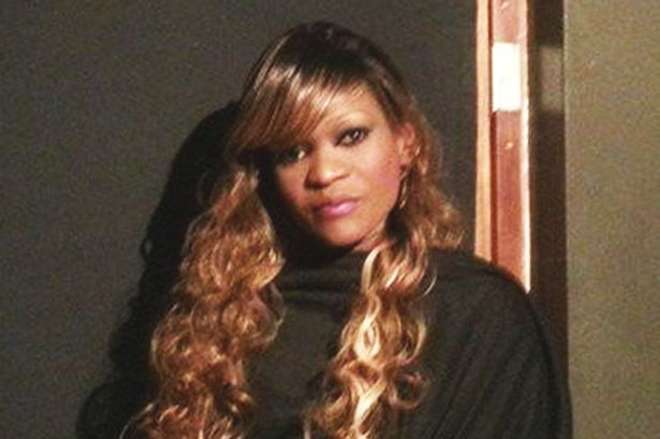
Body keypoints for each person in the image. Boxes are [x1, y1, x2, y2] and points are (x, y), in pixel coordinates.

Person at [127, 21, 571, 439]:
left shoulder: (476, 315)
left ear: (406, 143)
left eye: (351, 137)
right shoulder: (225, 322)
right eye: (292, 152)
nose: (324, 173)